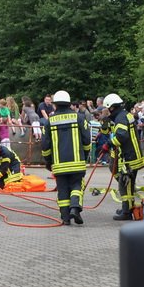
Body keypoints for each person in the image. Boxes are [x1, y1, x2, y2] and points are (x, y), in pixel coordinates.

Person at [41, 90, 90, 225]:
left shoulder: (49, 121)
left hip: (58, 163)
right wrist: (84, 156)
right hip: (77, 162)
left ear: (55, 104)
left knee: (62, 189)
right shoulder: (79, 118)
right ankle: (75, 208)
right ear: (69, 104)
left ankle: (65, 218)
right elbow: (87, 140)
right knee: (76, 185)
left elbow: (45, 145)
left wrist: (48, 161)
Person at [101, 93, 144, 221]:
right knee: (127, 184)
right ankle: (128, 208)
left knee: (125, 184)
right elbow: (109, 131)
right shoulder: (123, 115)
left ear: (112, 107)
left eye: (107, 108)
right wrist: (105, 121)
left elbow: (121, 136)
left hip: (129, 158)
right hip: (130, 156)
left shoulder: (121, 118)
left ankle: (126, 212)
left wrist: (108, 144)